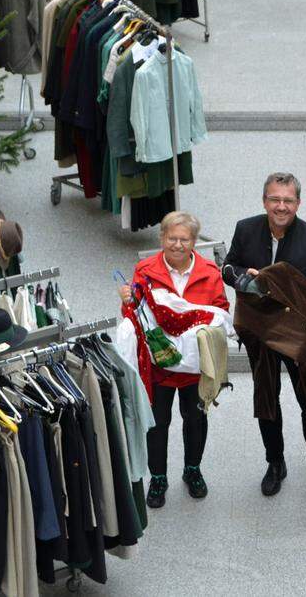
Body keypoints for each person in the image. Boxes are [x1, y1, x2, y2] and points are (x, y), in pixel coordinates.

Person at [222, 172, 306, 498]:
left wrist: (271, 283)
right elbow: (230, 267)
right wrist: (245, 279)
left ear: (298, 203)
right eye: (275, 199)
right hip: (259, 331)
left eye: (288, 200)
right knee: (266, 400)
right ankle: (275, 463)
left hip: (298, 334)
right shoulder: (246, 229)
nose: (281, 206)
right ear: (264, 201)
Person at [120, 211, 230, 508]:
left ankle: (193, 470)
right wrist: (127, 301)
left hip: (196, 366)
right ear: (162, 238)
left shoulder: (209, 271)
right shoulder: (144, 270)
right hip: (160, 365)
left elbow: (221, 309)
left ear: (194, 241)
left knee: (195, 419)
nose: (178, 245)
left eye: (184, 239)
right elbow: (134, 313)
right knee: (158, 422)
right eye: (172, 238)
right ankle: (158, 477)